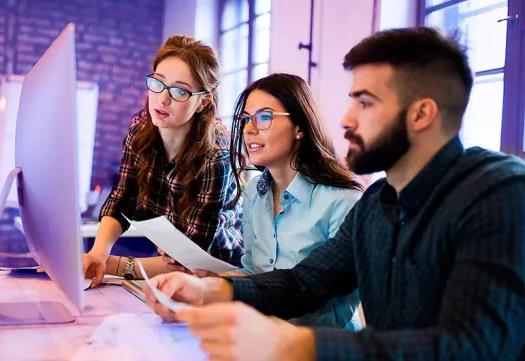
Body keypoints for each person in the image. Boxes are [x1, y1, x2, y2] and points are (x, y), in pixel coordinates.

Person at [144, 27, 525, 360]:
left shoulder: (498, 192)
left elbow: (474, 347)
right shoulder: (377, 203)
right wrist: (207, 289)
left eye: (364, 102)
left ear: (421, 114)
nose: (346, 119)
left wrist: (299, 346)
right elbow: (304, 283)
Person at [162, 73, 364, 330]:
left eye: (264, 117)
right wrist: (210, 281)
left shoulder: (343, 201)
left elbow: (314, 291)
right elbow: (254, 273)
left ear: (300, 126)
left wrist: (219, 290)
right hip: (263, 338)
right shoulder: (254, 195)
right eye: (245, 119)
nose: (248, 129)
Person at [82, 35, 243, 286]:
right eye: (158, 83)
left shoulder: (215, 157)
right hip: (168, 262)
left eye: (179, 91)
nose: (162, 99)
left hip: (218, 273)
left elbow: (190, 259)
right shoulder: (141, 129)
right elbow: (122, 198)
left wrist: (111, 263)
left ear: (203, 101)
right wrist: (98, 253)